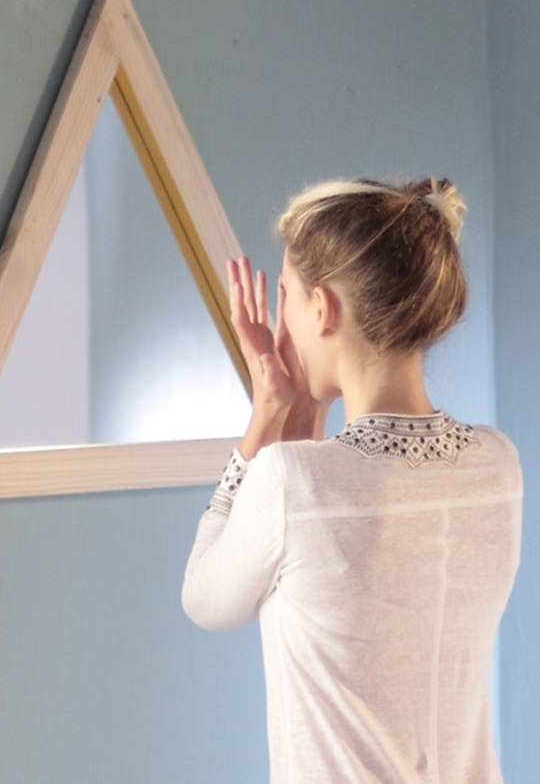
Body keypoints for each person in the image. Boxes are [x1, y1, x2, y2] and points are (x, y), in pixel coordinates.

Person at [182, 177, 522, 783]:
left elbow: (205, 599)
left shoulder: (290, 483)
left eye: (285, 293)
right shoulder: (497, 467)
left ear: (322, 308)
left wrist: (267, 412)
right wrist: (302, 413)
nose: (279, 315)